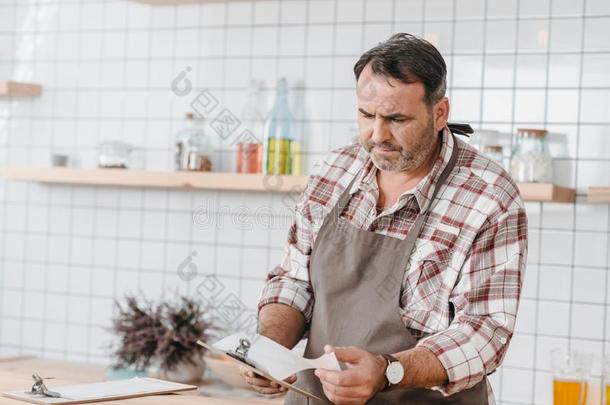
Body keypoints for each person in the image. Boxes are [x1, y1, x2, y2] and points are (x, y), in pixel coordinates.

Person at [240, 33, 528, 405]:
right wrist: (269, 348)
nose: (378, 136)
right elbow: (295, 279)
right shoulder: (335, 169)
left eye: (397, 119)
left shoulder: (488, 195)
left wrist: (388, 370)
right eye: (366, 115)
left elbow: (484, 332)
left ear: (439, 113)